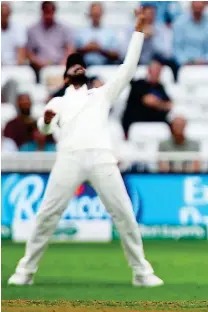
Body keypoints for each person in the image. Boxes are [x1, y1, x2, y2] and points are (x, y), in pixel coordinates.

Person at [7, 7, 163, 288]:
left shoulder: (100, 95)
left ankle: (142, 273)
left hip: (102, 158)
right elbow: (44, 129)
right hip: (69, 159)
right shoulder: (57, 102)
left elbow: (127, 70)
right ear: (66, 76)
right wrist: (45, 121)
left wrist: (138, 31)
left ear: (85, 73)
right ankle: (25, 271)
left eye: (81, 65)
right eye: (72, 65)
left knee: (125, 214)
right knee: (47, 215)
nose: (78, 67)